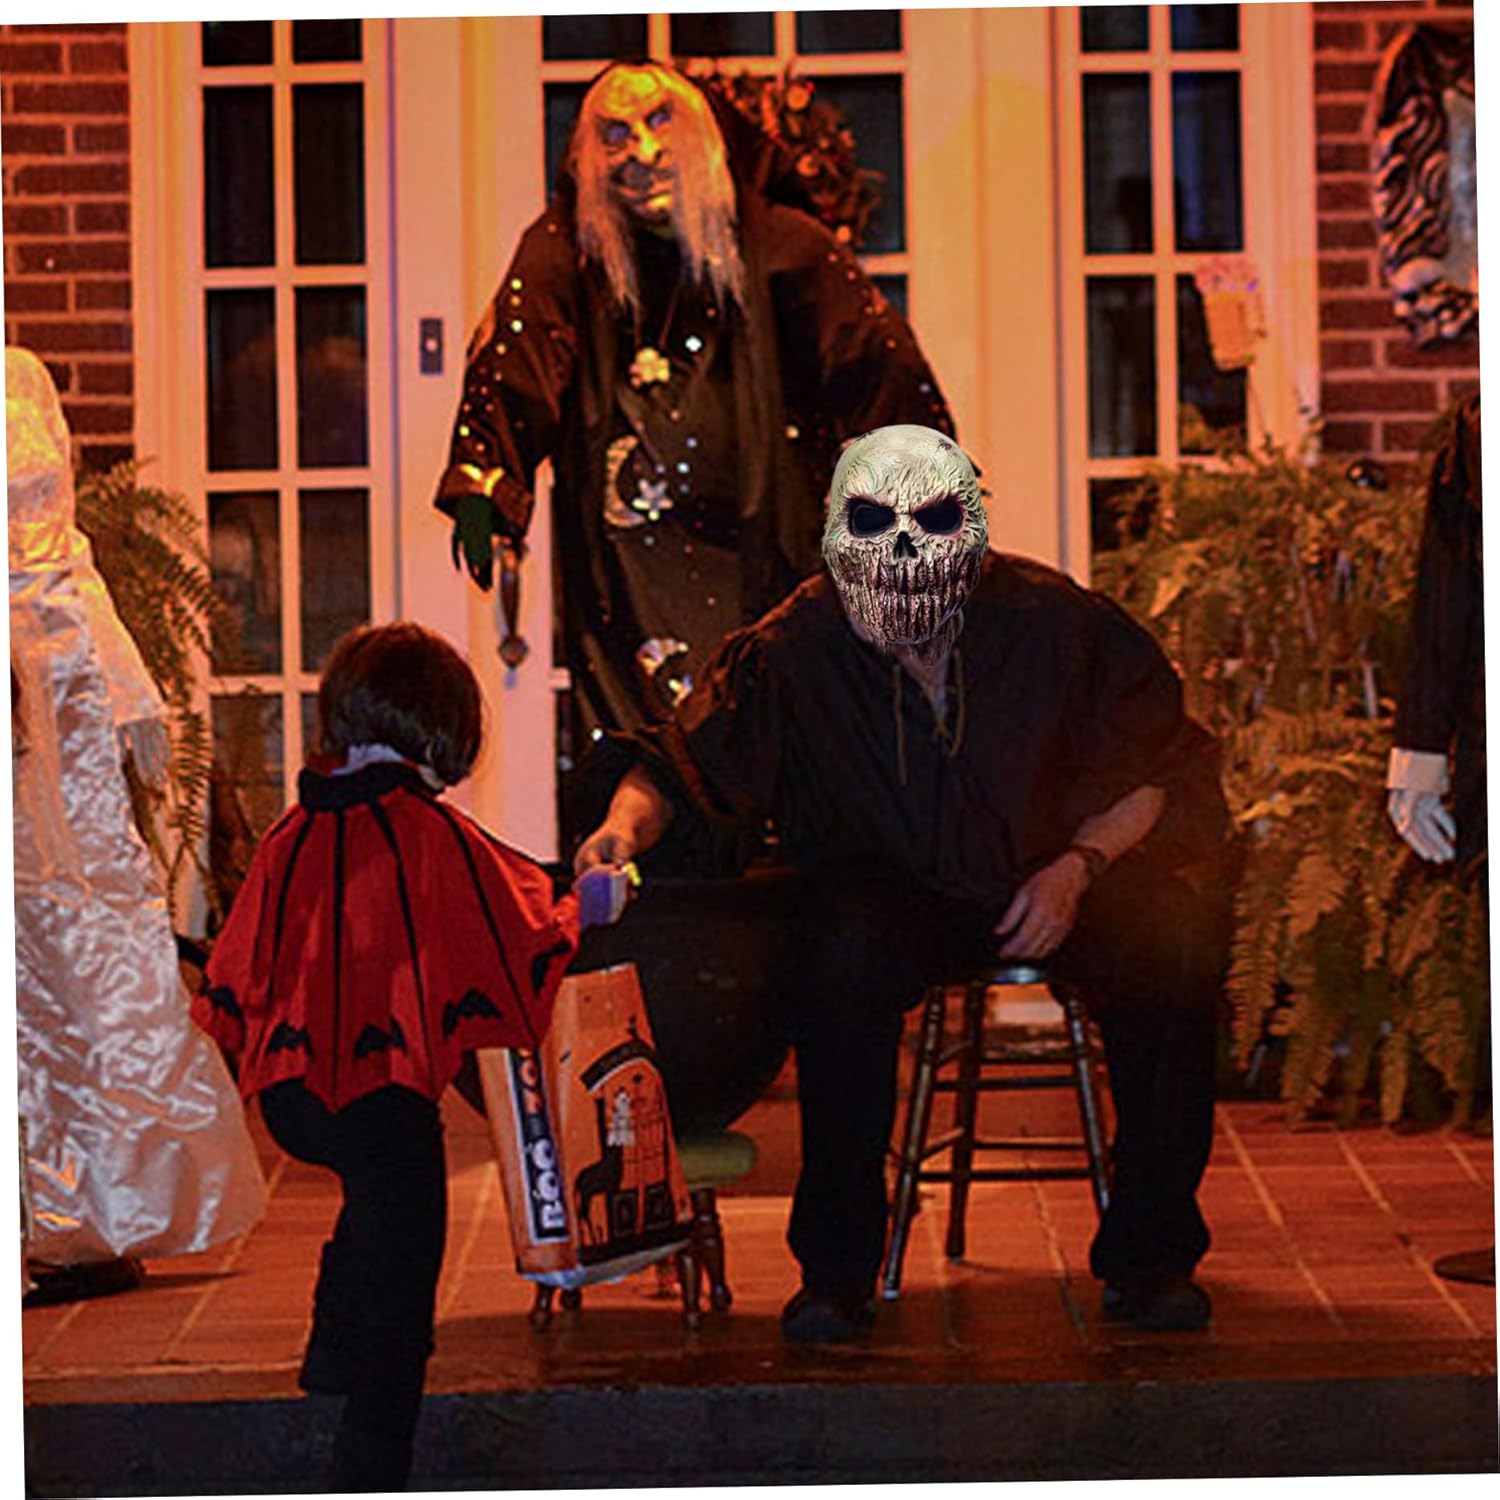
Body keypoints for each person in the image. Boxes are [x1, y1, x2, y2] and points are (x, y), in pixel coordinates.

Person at [576, 425, 1236, 1343]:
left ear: (972, 531)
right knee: (837, 950)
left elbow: (1159, 769)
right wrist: (619, 832)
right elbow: (683, 765)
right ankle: (837, 1276)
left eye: (930, 522)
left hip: (1053, 872)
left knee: (1171, 939)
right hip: (889, 893)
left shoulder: (1058, 626)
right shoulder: (795, 645)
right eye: (872, 527)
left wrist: (1078, 868)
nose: (903, 553)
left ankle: (1152, 1258)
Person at [435, 61, 954, 832]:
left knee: (779, 714)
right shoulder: (563, 250)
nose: (640, 153)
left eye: (658, 126)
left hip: (766, 544)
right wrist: (484, 485)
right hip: (626, 569)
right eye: (614, 134)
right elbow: (515, 360)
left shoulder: (785, 245)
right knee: (645, 746)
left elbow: (877, 367)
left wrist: (916, 503)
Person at [190, 621, 630, 1491]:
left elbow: (241, 961)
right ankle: (372, 1459)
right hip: (383, 1089)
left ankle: (329, 1347)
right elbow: (516, 921)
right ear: (440, 730)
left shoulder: (290, 833)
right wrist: (585, 906)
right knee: (407, 1263)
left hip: (294, 1092)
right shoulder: (424, 834)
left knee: (373, 1203)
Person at [8, 345, 266, 1294]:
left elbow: (57, 549)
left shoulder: (22, 380)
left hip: (55, 717)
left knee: (77, 963)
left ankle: (86, 1215)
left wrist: (119, 685)